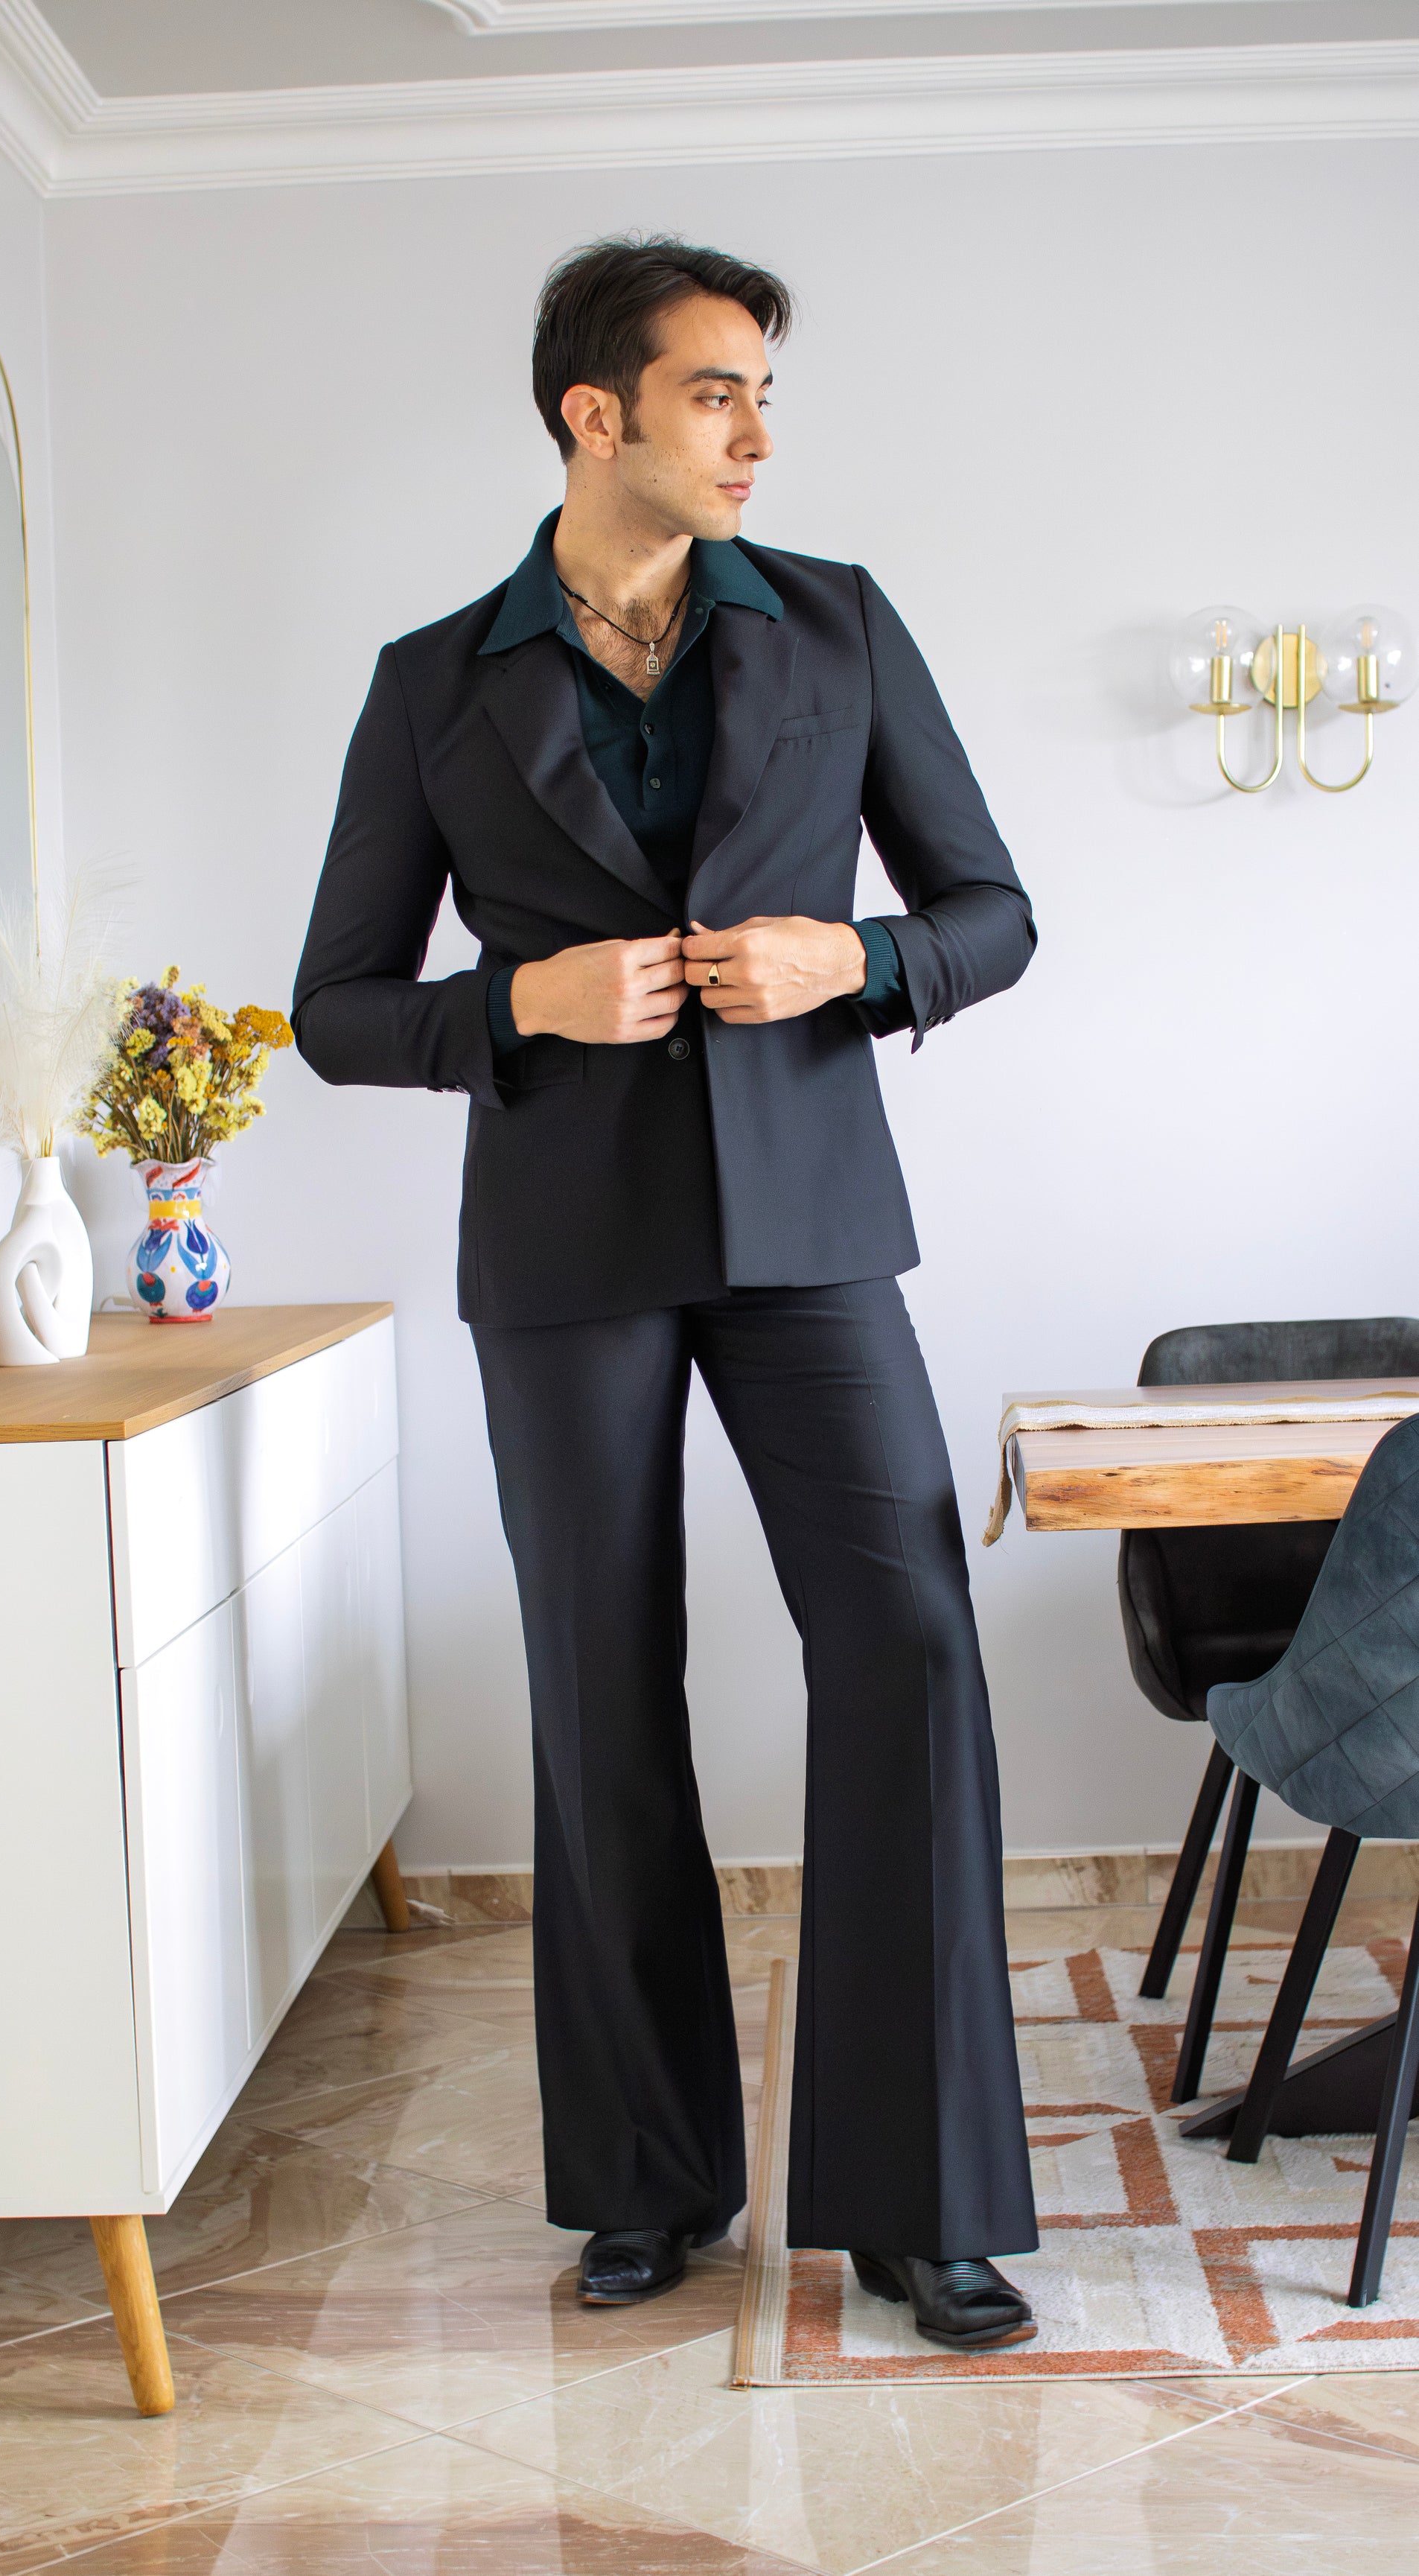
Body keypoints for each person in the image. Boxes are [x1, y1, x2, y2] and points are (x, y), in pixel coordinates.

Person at [293, 235, 1039, 2350]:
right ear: (593, 412)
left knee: (905, 1646)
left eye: (762, 394)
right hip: (566, 1250)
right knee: (600, 1688)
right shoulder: (432, 682)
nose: (756, 433)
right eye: (719, 391)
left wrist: (858, 960)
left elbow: (993, 910)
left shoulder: (838, 624)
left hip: (811, 1226)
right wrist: (511, 1005)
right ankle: (647, 2178)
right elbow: (336, 1003)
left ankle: (920, 2199)